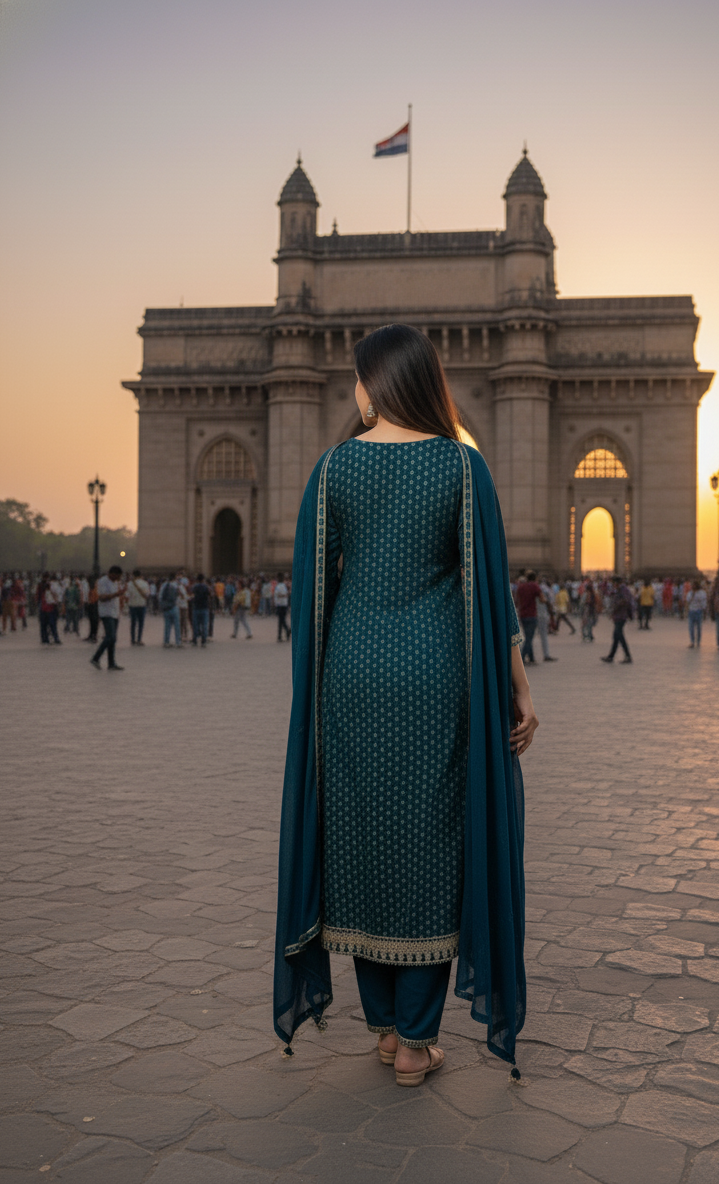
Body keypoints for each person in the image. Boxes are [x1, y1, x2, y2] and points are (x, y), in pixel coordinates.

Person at [273, 324, 535, 1086]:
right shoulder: (463, 466)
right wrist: (519, 686)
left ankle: (385, 1031)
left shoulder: (331, 470)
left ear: (373, 384)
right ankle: (418, 1041)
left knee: (360, 842)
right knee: (431, 844)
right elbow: (489, 593)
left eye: (359, 378)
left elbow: (313, 591)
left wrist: (312, 700)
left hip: (350, 676)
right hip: (436, 677)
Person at [90, 565, 124, 670]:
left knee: (113, 639)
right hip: (106, 613)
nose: (119, 579)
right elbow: (102, 598)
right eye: (118, 576)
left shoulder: (116, 582)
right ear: (112, 574)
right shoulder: (102, 582)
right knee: (110, 637)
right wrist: (116, 594)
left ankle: (111, 663)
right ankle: (96, 657)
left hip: (114, 613)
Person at [601, 577, 634, 664]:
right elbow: (609, 594)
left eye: (614, 583)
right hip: (617, 616)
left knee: (619, 635)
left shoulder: (624, 590)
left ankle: (627, 656)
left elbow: (625, 600)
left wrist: (617, 606)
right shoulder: (618, 590)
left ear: (617, 582)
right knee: (616, 636)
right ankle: (611, 656)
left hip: (621, 616)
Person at [515, 570, 542, 665]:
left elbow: (516, 600)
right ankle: (521, 658)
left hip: (523, 614)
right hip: (531, 615)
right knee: (529, 638)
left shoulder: (521, 587)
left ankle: (531, 658)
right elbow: (542, 598)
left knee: (528, 636)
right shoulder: (534, 586)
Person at [127, 569, 150, 645]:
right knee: (141, 623)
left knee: (133, 623)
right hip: (141, 605)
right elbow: (147, 594)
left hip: (132, 605)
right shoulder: (145, 583)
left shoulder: (130, 584)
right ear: (140, 575)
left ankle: (133, 639)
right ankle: (139, 639)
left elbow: (127, 595)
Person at [159, 574, 181, 647]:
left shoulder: (164, 585)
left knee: (167, 625)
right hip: (174, 607)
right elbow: (179, 595)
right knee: (177, 625)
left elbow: (160, 596)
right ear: (174, 578)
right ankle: (178, 642)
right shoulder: (176, 585)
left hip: (166, 608)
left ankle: (166, 641)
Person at [191, 574, 211, 646]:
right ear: (203, 579)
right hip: (204, 607)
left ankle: (195, 639)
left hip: (196, 607)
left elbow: (191, 595)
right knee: (204, 625)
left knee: (196, 625)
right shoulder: (206, 587)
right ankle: (203, 640)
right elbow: (210, 595)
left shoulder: (194, 587)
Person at [686, 580, 708, 648]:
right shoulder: (690, 593)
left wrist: (704, 611)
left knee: (699, 628)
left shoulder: (702, 593)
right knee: (691, 628)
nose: (693, 587)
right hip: (691, 611)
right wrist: (693, 595)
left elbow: (703, 602)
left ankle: (698, 641)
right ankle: (692, 641)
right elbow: (688, 600)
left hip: (699, 611)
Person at [274, 572, 291, 641]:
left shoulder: (279, 586)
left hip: (280, 605)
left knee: (281, 620)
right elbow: (287, 594)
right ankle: (280, 635)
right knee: (281, 620)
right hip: (284, 604)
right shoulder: (284, 585)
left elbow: (278, 595)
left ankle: (287, 630)